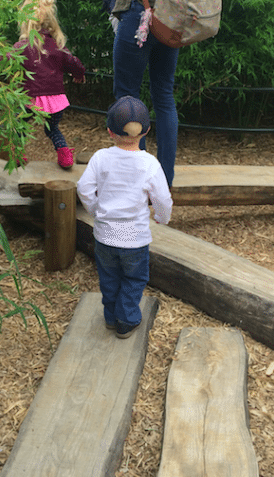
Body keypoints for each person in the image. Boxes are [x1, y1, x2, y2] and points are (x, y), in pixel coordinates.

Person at [77, 96, 172, 339]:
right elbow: (162, 198)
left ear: (110, 131)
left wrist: (96, 210)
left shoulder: (100, 157)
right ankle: (126, 321)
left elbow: (84, 188)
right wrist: (162, 217)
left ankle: (110, 317)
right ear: (147, 131)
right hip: (135, 239)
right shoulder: (149, 163)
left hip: (105, 236)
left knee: (109, 277)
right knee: (134, 278)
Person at [0, 0, 85, 169]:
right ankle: (65, 155)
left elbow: (2, 59)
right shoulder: (57, 46)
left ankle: (17, 155)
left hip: (32, 98)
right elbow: (74, 62)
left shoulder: (23, 46)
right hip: (55, 99)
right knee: (52, 129)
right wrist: (78, 74)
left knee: (19, 126)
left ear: (25, 23)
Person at [110, 0, 179, 186]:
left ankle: (135, 177)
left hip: (139, 14)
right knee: (164, 97)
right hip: (170, 18)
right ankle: (164, 180)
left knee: (127, 96)